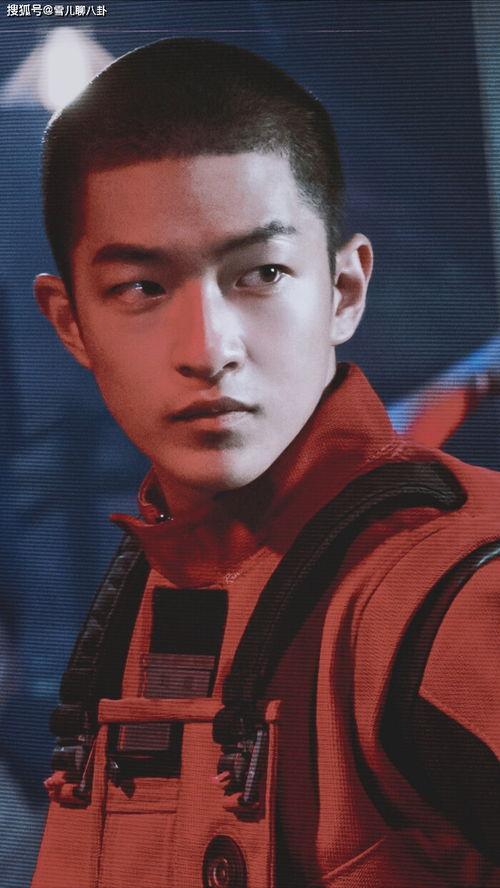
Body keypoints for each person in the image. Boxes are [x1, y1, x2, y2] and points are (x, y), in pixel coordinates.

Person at [31, 38, 499, 888]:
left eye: (261, 274)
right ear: (71, 324)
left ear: (344, 292)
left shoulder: (459, 599)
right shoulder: (154, 586)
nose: (208, 349)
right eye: (142, 288)